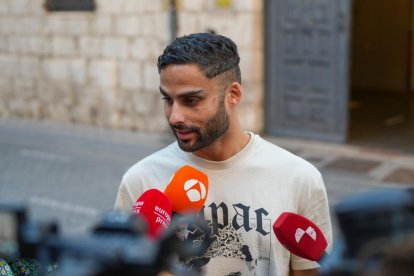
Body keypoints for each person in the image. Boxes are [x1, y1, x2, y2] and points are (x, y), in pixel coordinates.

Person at [114, 32, 332, 276]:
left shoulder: (299, 178)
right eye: (168, 99)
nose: (175, 116)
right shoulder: (141, 180)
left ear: (233, 94)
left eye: (191, 100)